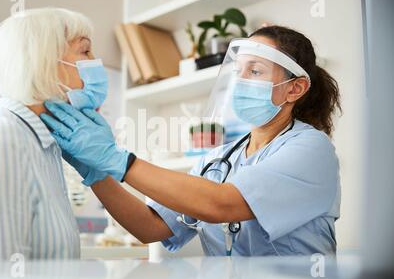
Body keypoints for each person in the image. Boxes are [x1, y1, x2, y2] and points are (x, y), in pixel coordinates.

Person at [41, 26, 342, 256]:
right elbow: (150, 227)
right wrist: (96, 172)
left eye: (255, 71)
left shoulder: (312, 149)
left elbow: (221, 204)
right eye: (238, 71)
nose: (240, 81)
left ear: (295, 88)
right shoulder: (216, 160)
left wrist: (118, 159)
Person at [0, 8, 108, 260]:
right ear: (44, 62)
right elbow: (0, 278)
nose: (96, 61)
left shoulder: (40, 144)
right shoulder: (0, 142)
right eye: (85, 51)